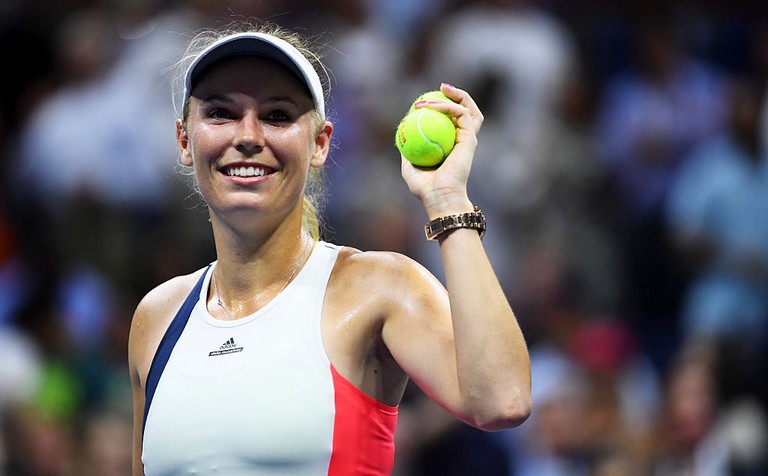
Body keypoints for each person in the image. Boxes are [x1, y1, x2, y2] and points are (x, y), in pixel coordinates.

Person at [128, 19, 531, 475]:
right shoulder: (156, 317)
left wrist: (447, 199)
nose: (247, 135)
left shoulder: (377, 289)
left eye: (277, 115)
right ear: (185, 140)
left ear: (320, 144)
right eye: (221, 113)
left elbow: (502, 400)